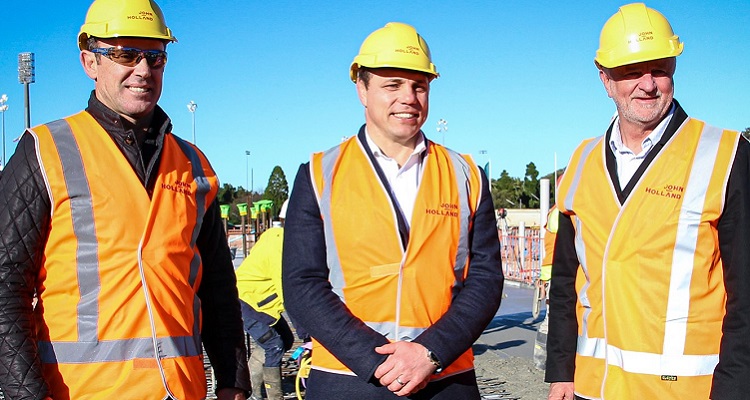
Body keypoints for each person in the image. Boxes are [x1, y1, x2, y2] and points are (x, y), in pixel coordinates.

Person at [0, 0, 251, 399]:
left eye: (155, 56)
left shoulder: (193, 164)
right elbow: (5, 283)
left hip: (182, 391)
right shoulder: (45, 151)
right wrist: (26, 393)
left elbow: (218, 286)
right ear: (89, 62)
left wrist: (234, 380)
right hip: (79, 392)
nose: (143, 70)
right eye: (124, 54)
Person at [281, 22, 504, 400]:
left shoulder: (466, 175)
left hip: (445, 378)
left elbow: (485, 280)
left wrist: (429, 352)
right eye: (392, 85)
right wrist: (378, 361)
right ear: (361, 89)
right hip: (348, 378)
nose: (409, 97)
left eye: (419, 86)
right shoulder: (319, 174)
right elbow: (302, 285)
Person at [545, 3, 750, 399]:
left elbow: (745, 296)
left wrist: (734, 390)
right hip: (593, 388)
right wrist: (561, 372)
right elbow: (566, 283)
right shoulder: (583, 162)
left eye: (659, 69)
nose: (648, 84)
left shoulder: (726, 156)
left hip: (687, 391)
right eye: (630, 72)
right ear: (605, 80)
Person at [236, 200, 294, 400]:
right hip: (250, 303)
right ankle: (273, 397)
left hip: (263, 304)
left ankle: (252, 390)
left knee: (285, 339)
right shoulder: (279, 245)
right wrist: (306, 330)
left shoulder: (276, 236)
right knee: (274, 345)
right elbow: (288, 289)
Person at [532, 196, 559, 371]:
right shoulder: (559, 211)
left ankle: (542, 359)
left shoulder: (555, 210)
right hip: (556, 271)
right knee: (552, 318)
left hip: (552, 270)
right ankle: (541, 360)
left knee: (552, 318)